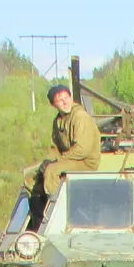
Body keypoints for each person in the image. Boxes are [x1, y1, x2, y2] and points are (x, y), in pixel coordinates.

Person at [22, 84, 102, 229]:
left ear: (71, 97)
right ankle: (37, 223)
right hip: (70, 159)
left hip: (85, 162)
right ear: (53, 104)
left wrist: (57, 161)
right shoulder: (59, 120)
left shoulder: (79, 117)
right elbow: (55, 147)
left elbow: (82, 150)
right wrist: (49, 161)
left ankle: (58, 215)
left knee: (51, 171)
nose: (65, 102)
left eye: (67, 97)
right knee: (31, 175)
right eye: (60, 100)